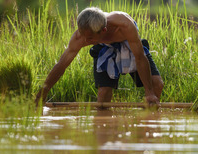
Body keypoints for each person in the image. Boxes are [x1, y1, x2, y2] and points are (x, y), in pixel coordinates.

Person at [35, 7, 164, 106]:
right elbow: (61, 65)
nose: (85, 40)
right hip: (104, 48)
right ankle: (103, 131)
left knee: (157, 84)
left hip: (129, 45)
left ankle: (146, 119)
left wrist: (149, 92)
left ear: (103, 31)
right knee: (103, 95)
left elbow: (140, 57)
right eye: (83, 35)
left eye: (89, 38)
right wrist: (43, 93)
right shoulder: (80, 37)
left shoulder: (124, 25)